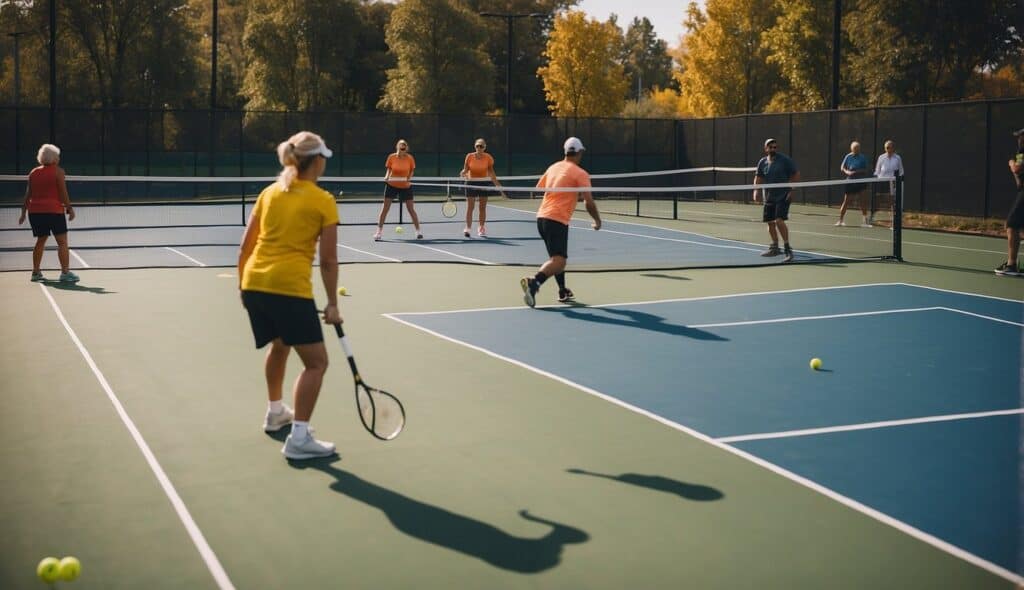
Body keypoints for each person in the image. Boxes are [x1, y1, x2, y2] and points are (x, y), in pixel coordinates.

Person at [238, 131, 341, 460]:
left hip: (254, 283)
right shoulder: (322, 200)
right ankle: (299, 438)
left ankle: (274, 412)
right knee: (317, 363)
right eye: (323, 156)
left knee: (280, 345)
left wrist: (243, 286)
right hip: (288, 288)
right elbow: (327, 260)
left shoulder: (269, 192)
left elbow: (245, 246)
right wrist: (333, 305)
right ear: (317, 161)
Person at [520, 137, 601, 307]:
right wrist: (597, 220)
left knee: (555, 258)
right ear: (579, 153)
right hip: (556, 219)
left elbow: (539, 188)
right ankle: (534, 282)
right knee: (560, 261)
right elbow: (589, 202)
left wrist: (565, 193)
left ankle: (562, 289)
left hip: (541, 217)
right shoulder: (581, 173)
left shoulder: (553, 167)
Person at [17, 144, 80, 283]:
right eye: (57, 155)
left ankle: (35, 272)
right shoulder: (58, 172)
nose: (58, 158)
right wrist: (69, 208)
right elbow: (63, 193)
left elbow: (28, 195)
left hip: (35, 212)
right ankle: (65, 273)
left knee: (40, 240)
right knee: (62, 242)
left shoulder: (33, 172)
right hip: (54, 211)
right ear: (53, 157)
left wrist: (23, 213)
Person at [752, 138, 800, 263]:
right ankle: (775, 247)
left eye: (775, 147)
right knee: (770, 222)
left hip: (783, 195)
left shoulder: (785, 160)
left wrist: (791, 189)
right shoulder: (762, 162)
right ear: (766, 149)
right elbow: (758, 177)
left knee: (779, 220)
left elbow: (795, 174)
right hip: (769, 196)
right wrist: (756, 191)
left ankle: (788, 249)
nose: (773, 149)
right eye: (771, 147)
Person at [374, 139, 422, 240]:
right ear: (397, 147)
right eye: (401, 146)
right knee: (385, 209)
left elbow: (412, 170)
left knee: (411, 209)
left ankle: (418, 232)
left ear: (406, 148)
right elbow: (389, 169)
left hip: (405, 186)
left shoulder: (410, 158)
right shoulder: (391, 157)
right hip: (391, 185)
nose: (402, 148)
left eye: (404, 147)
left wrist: (409, 178)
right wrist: (386, 176)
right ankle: (378, 232)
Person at [458, 138, 504, 237]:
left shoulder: (488, 158)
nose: (479, 148)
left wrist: (499, 187)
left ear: (485, 147)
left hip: (483, 183)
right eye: (477, 146)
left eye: (481, 146)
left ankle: (481, 228)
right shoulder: (469, 156)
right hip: (471, 183)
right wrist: (463, 173)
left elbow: (491, 173)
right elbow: (466, 169)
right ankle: (468, 228)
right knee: (470, 207)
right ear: (475, 146)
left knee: (482, 208)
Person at [995, 128, 1024, 276]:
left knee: (1011, 224)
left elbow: (1017, 168)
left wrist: (1012, 164)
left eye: (1020, 136)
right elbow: (1019, 181)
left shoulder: (1021, 155)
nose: (1018, 139)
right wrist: (1015, 170)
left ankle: (1012, 266)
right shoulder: (1021, 153)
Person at [835, 141, 871, 227]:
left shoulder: (863, 157)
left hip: (860, 181)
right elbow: (842, 167)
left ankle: (865, 222)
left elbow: (866, 169)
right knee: (846, 201)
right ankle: (840, 220)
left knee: (863, 201)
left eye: (858, 149)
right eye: (855, 149)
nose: (856, 150)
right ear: (852, 149)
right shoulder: (848, 156)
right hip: (850, 181)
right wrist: (847, 172)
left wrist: (857, 171)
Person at [872, 140, 905, 228]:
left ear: (893, 148)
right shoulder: (881, 157)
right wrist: (876, 179)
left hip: (892, 183)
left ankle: (893, 221)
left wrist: (897, 181)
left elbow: (901, 171)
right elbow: (877, 171)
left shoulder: (897, 158)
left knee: (891, 201)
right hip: (881, 182)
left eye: (890, 147)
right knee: (878, 201)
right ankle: (872, 218)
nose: (888, 149)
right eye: (887, 148)